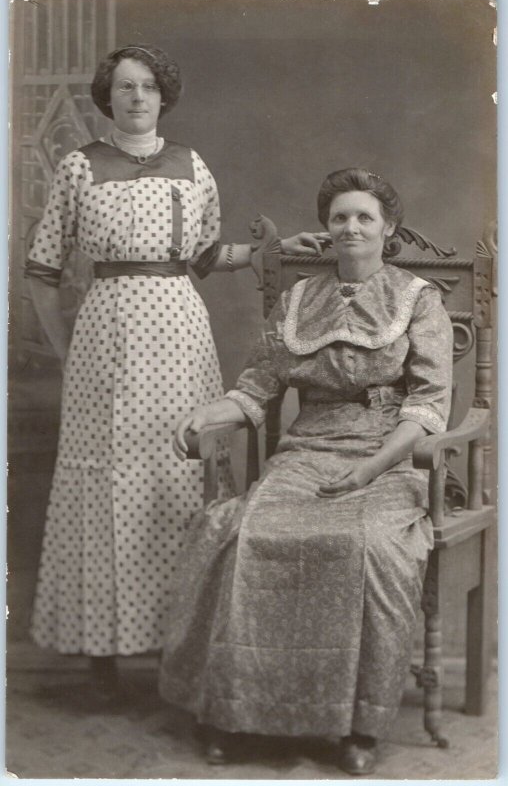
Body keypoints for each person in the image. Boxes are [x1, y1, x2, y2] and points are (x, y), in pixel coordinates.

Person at [25, 44, 325, 695]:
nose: (137, 98)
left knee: (182, 470)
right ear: (109, 98)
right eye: (125, 88)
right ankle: (100, 648)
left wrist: (271, 252)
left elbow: (207, 251)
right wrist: (64, 345)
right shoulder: (79, 168)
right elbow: (42, 270)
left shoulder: (192, 166)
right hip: (105, 339)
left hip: (179, 332)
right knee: (106, 480)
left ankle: (184, 642)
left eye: (148, 88)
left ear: (164, 97)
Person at [159, 167, 454, 775]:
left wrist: (370, 468)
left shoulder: (418, 298)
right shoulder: (298, 301)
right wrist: (201, 416)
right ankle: (238, 712)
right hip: (307, 451)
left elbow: (428, 409)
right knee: (243, 536)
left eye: (364, 217)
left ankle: (357, 725)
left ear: (387, 228)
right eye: (339, 216)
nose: (350, 227)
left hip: (389, 459)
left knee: (369, 545)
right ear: (327, 225)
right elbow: (254, 391)